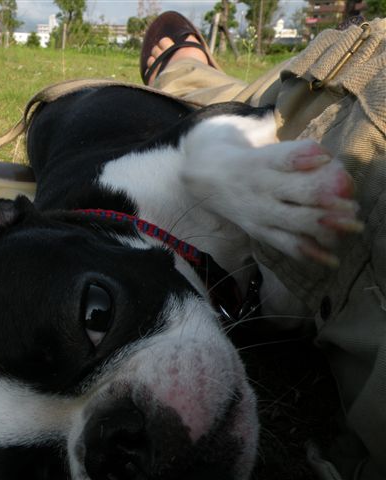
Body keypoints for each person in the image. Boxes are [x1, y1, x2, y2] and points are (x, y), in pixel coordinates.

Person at [138, 11, 385, 480]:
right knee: (229, 104)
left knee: (216, 99)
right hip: (342, 79)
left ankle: (183, 71)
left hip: (327, 93)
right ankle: (188, 74)